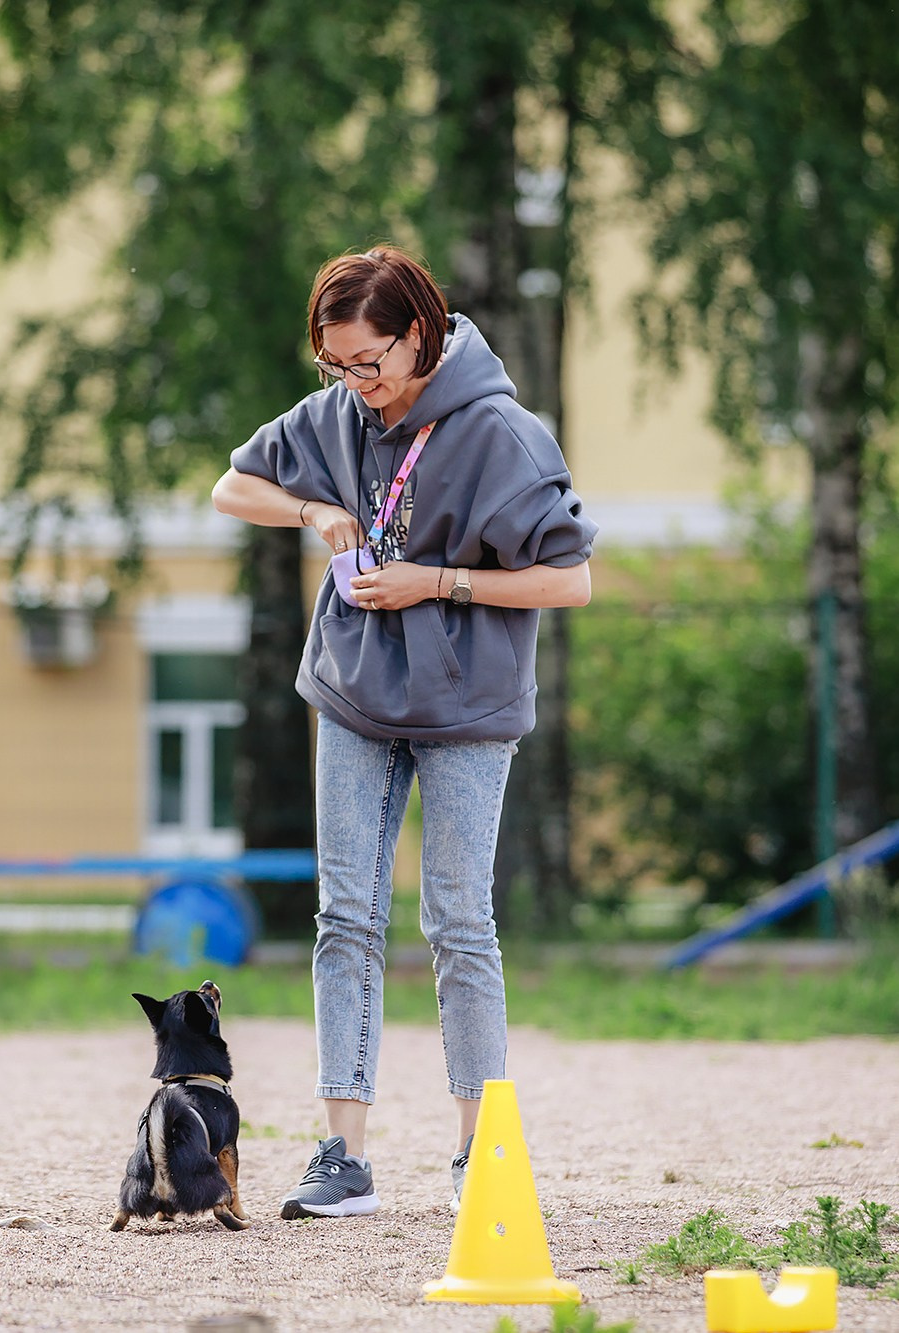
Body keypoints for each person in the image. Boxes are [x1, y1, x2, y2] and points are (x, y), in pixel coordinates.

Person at [210, 245, 597, 1220]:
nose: (353, 384)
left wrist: (438, 581)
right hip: (351, 694)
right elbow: (229, 488)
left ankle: (480, 1154)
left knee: (457, 922)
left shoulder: (499, 433)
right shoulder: (337, 415)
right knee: (344, 918)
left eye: (367, 363)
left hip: (466, 706)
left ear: (417, 336)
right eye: (333, 365)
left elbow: (569, 579)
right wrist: (317, 512)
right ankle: (341, 1155)